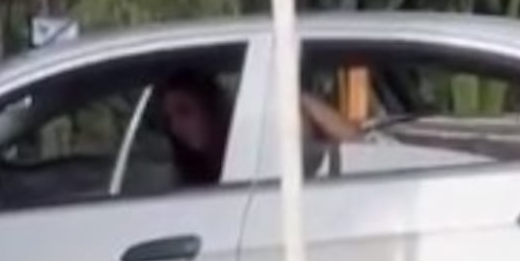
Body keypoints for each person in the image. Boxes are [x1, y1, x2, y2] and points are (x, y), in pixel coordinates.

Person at [153, 67, 363, 188]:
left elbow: (359, 146)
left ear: (210, 105)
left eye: (184, 111)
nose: (177, 127)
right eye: (169, 119)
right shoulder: (184, 177)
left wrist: (294, 99)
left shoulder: (260, 143)